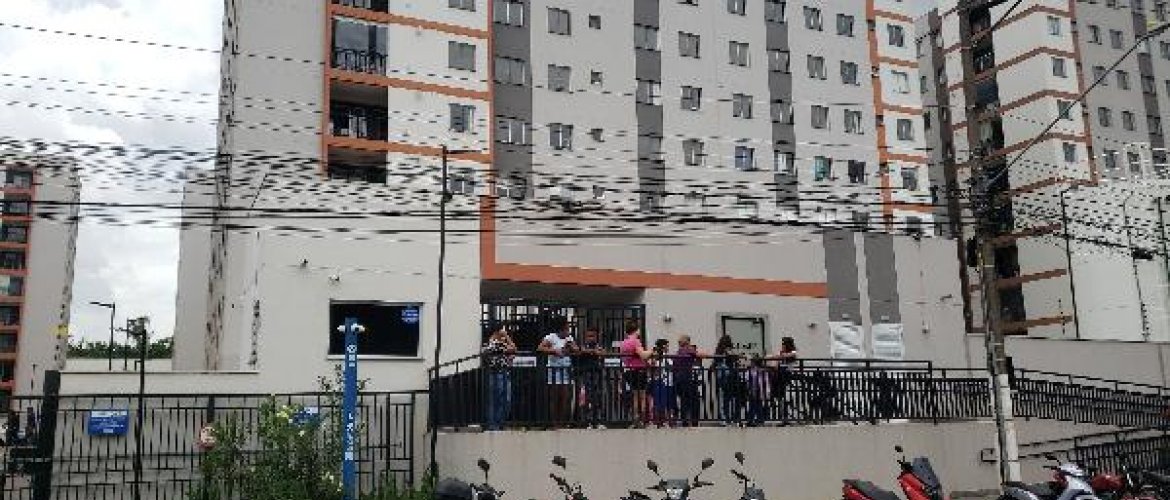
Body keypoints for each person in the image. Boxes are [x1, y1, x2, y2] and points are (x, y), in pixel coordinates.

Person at [538, 317, 577, 428]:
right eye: (566, 327)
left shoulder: (569, 338)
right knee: (555, 397)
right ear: (561, 328)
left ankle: (563, 421)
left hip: (566, 369)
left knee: (565, 396)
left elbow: (576, 349)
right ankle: (554, 422)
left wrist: (572, 347)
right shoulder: (551, 337)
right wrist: (554, 351)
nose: (568, 329)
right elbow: (540, 348)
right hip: (555, 370)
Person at [481, 322, 516, 431]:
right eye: (503, 330)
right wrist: (506, 337)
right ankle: (493, 425)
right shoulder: (491, 343)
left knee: (506, 399)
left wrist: (509, 354)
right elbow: (512, 349)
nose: (504, 332)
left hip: (504, 372)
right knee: (494, 399)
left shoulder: (501, 343)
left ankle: (500, 422)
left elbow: (513, 349)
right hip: (494, 373)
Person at [619, 320, 652, 428]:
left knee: (635, 396)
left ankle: (635, 419)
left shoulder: (623, 343)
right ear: (636, 330)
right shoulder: (635, 341)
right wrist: (652, 351)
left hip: (628, 370)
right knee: (642, 396)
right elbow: (643, 355)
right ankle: (641, 420)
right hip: (638, 371)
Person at [575, 327, 607, 429]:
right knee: (587, 397)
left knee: (598, 396)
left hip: (597, 374)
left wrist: (597, 352)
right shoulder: (583, 346)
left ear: (597, 336)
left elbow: (603, 353)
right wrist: (592, 351)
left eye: (593, 336)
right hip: (586, 374)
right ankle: (587, 421)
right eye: (589, 336)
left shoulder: (599, 346)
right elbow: (580, 351)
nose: (591, 338)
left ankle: (598, 420)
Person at [673, 335, 705, 427]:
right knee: (694, 399)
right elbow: (701, 355)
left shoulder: (678, 352)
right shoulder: (688, 350)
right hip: (687, 377)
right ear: (687, 342)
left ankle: (685, 421)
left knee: (684, 400)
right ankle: (694, 421)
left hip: (679, 379)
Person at [714, 335, 743, 426]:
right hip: (730, 377)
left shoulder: (718, 352)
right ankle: (733, 418)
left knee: (725, 399)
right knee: (732, 398)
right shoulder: (728, 352)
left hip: (724, 378)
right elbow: (736, 360)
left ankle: (726, 418)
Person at [769, 337, 799, 425]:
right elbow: (776, 365)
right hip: (780, 377)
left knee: (787, 398)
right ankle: (783, 417)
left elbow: (785, 356)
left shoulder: (793, 352)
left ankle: (786, 417)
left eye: (784, 344)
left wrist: (773, 357)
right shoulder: (782, 353)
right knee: (780, 398)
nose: (782, 346)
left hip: (788, 377)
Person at [649, 339, 677, 427]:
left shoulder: (668, 357)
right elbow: (654, 369)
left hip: (670, 382)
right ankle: (660, 421)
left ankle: (669, 420)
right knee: (660, 402)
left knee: (670, 403)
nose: (668, 348)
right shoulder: (656, 357)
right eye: (667, 346)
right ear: (663, 346)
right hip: (660, 382)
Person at [744, 355, 772, 426]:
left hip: (758, 389)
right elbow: (747, 379)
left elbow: (765, 381)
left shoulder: (761, 371)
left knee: (757, 404)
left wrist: (767, 391)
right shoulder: (751, 371)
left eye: (752, 362)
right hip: (753, 389)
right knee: (753, 404)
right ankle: (753, 419)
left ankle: (757, 419)